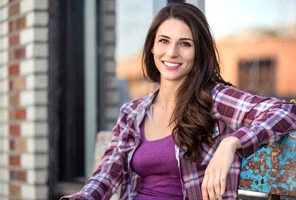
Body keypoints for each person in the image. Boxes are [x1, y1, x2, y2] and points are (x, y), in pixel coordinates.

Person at [61, 3, 296, 200]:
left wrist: (232, 142)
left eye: (185, 44)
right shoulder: (132, 113)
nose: (172, 52)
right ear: (152, 47)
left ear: (198, 52)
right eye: (164, 41)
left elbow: (285, 111)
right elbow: (107, 175)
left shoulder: (215, 99)